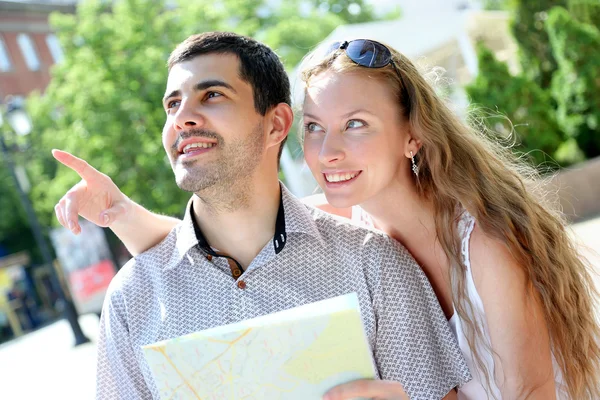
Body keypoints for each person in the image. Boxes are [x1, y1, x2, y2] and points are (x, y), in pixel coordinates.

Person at [53, 37, 600, 399]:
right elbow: (212, 244)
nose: (328, 151)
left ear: (413, 136)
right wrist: (120, 212)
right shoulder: (341, 223)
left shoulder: (481, 244)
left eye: (356, 124)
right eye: (315, 128)